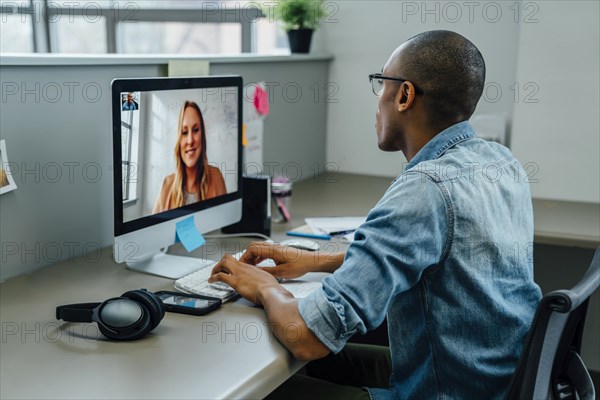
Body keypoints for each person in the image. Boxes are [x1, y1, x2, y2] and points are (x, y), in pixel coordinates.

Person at [209, 30, 542, 399]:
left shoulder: (425, 190)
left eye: (380, 84)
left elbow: (306, 338)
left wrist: (264, 287)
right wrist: (313, 260)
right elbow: (437, 255)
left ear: (404, 95)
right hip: (488, 379)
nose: (377, 99)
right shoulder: (501, 163)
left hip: (442, 389)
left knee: (268, 385)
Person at [153, 101, 226, 214]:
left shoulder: (216, 176)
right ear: (179, 139)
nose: (190, 140)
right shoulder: (167, 185)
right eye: (185, 132)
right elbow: (155, 230)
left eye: (196, 130)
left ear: (202, 136)